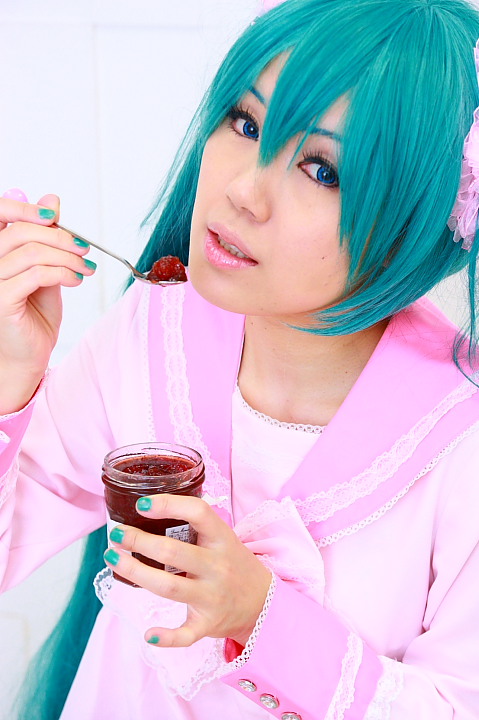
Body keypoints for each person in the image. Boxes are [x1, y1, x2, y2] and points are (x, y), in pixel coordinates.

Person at [1, 0, 479, 717]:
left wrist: (263, 617)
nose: (242, 191)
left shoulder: (458, 440)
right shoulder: (150, 334)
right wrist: (9, 378)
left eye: (321, 169)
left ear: (417, 226)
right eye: (247, 124)